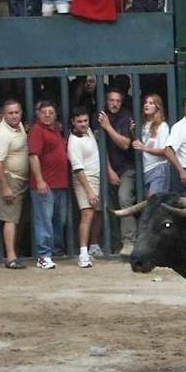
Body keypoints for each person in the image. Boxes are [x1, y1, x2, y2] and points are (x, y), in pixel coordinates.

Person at [0, 99, 29, 269]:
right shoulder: (2, 134)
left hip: (21, 180)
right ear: (3, 115)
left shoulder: (19, 128)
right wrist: (5, 186)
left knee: (17, 219)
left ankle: (15, 254)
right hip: (10, 179)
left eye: (17, 112)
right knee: (10, 219)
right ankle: (10, 257)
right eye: (10, 113)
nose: (14, 116)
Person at [29, 100, 70, 269]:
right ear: (38, 114)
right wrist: (39, 180)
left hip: (60, 183)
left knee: (58, 220)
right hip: (45, 184)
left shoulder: (56, 131)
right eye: (44, 112)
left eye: (51, 112)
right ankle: (44, 255)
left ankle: (55, 251)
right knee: (44, 220)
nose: (47, 115)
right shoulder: (37, 130)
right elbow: (33, 156)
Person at [97, 88, 139, 255]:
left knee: (124, 199)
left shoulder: (126, 116)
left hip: (126, 168)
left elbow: (125, 144)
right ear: (106, 101)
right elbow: (101, 147)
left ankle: (129, 242)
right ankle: (113, 244)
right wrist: (109, 171)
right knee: (108, 205)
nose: (114, 104)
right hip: (108, 169)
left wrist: (108, 127)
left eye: (118, 101)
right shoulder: (100, 117)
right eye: (111, 100)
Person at [67, 107, 103, 268]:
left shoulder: (88, 131)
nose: (83, 124)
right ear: (73, 122)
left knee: (96, 213)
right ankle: (83, 253)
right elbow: (78, 169)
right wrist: (89, 190)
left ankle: (92, 247)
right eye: (79, 121)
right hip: (84, 180)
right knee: (87, 214)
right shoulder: (73, 142)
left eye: (85, 121)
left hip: (96, 177)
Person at [132, 94, 171, 198]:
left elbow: (165, 151)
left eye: (151, 103)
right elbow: (138, 144)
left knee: (154, 202)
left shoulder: (162, 126)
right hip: (145, 169)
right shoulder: (143, 125)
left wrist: (144, 148)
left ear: (157, 107)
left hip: (158, 168)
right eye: (145, 103)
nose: (146, 105)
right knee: (147, 204)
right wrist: (132, 132)